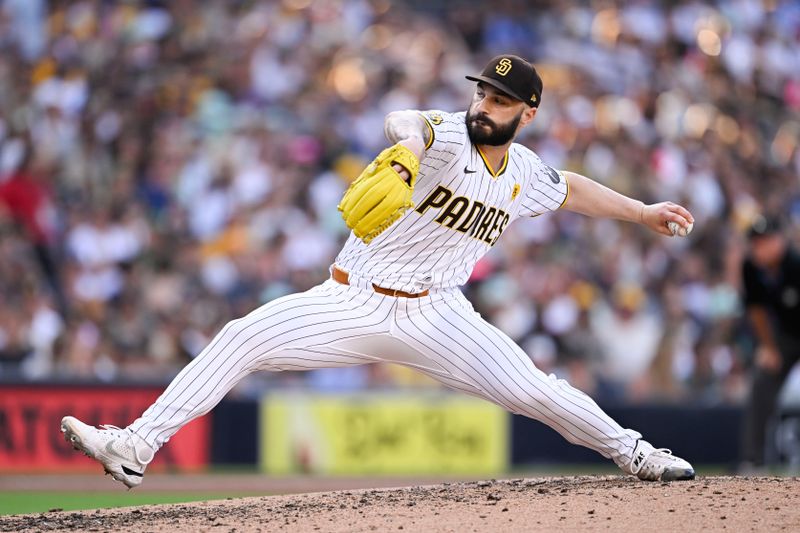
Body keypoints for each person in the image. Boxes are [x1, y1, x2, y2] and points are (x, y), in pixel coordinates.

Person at [61, 55, 695, 488]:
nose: (484, 104)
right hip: (354, 301)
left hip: (439, 314)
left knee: (533, 390)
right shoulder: (446, 137)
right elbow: (406, 121)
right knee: (240, 337)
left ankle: (634, 453)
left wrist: (640, 212)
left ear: (526, 114)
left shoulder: (524, 172)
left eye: (500, 99)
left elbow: (570, 188)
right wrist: (408, 152)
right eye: (481, 91)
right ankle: (136, 447)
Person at [740, 214, 800, 468]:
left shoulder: (796, 264)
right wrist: (768, 346)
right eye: (755, 243)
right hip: (786, 335)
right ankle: (753, 461)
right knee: (762, 381)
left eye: (765, 241)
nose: (759, 248)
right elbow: (757, 311)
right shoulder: (751, 268)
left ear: (779, 241)